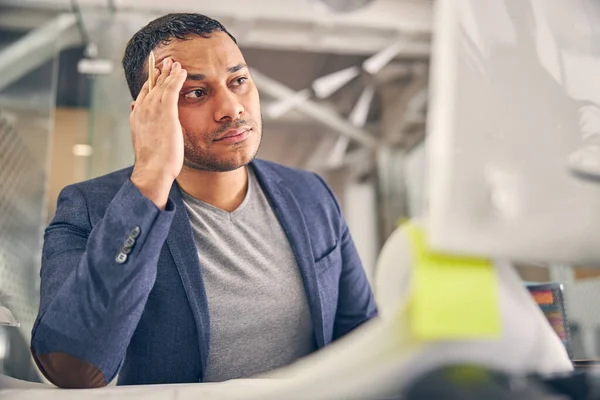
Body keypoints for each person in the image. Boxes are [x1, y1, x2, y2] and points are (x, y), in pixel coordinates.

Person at [30, 13, 377, 388]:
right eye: (195, 92)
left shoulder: (311, 193)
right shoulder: (90, 207)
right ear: (148, 113)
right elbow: (72, 368)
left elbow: (362, 338)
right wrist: (151, 176)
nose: (231, 108)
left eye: (238, 81)